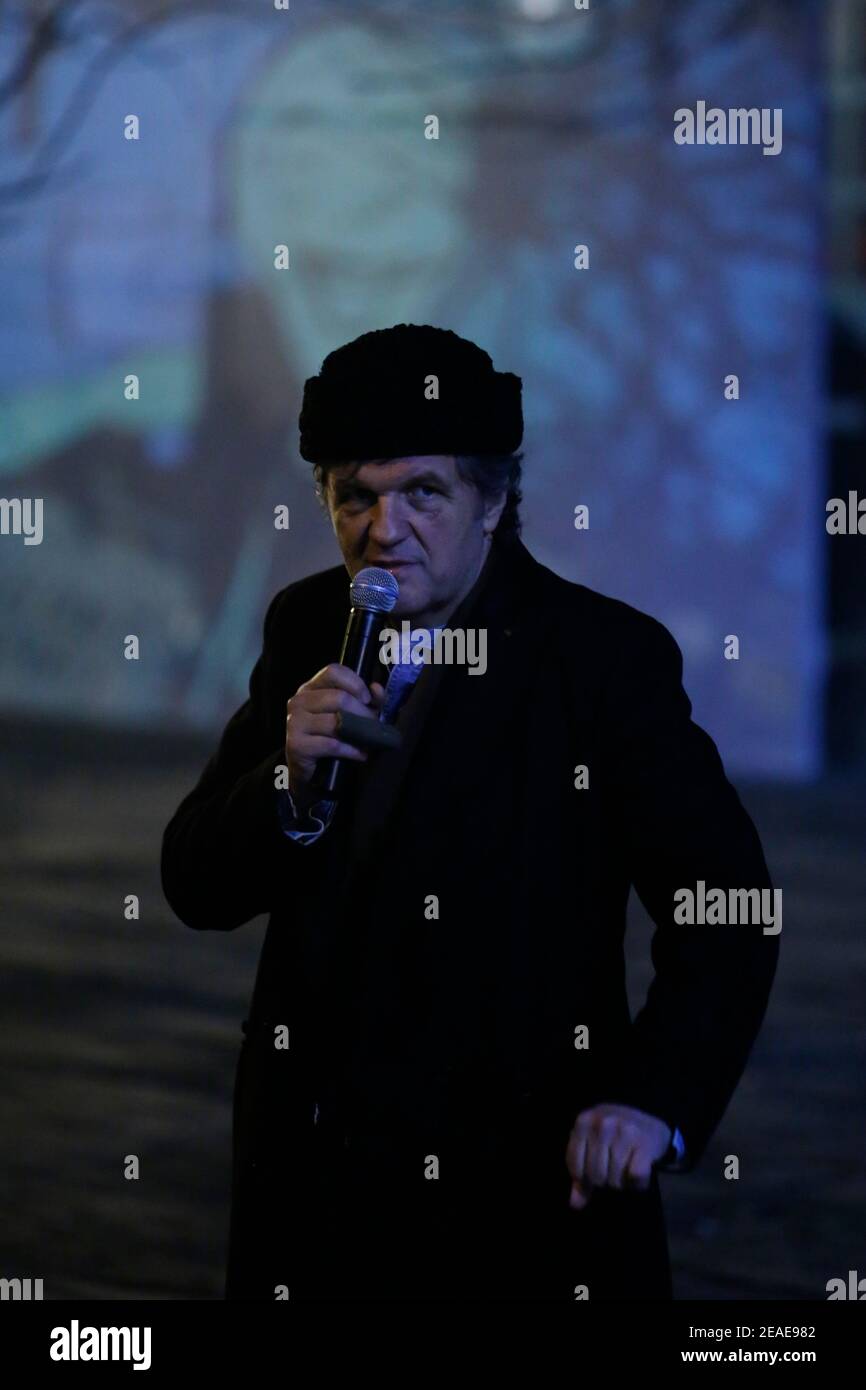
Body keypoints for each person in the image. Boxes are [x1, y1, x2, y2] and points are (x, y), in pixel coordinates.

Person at [161, 323, 779, 1301]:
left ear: (491, 500)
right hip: (314, 1201)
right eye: (354, 495)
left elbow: (728, 908)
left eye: (422, 492)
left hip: (516, 1203)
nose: (382, 527)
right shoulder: (306, 628)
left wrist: (646, 1098)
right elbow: (194, 881)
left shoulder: (597, 661)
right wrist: (289, 786)